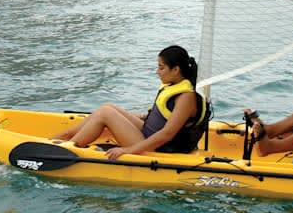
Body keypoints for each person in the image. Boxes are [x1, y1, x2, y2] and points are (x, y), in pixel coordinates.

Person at [52, 45, 209, 160]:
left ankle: (65, 150)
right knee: (107, 107)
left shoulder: (186, 97)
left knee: (106, 114)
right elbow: (162, 115)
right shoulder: (176, 86)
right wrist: (139, 116)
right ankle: (62, 138)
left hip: (160, 147)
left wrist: (128, 150)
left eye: (161, 68)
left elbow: (167, 134)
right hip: (148, 133)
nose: (157, 71)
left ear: (175, 70)